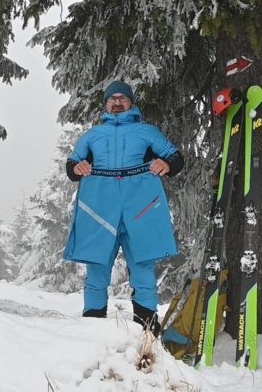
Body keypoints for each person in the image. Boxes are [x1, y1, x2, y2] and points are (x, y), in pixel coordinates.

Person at [64, 80, 184, 335]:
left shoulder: (148, 131)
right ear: (105, 104)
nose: (117, 102)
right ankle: (92, 334)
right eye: (112, 98)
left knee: (143, 269)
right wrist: (77, 168)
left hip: (140, 200)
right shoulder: (92, 135)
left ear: (131, 103)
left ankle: (148, 335)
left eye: (122, 98)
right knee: (96, 269)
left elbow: (176, 158)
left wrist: (167, 164)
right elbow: (72, 166)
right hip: (99, 202)